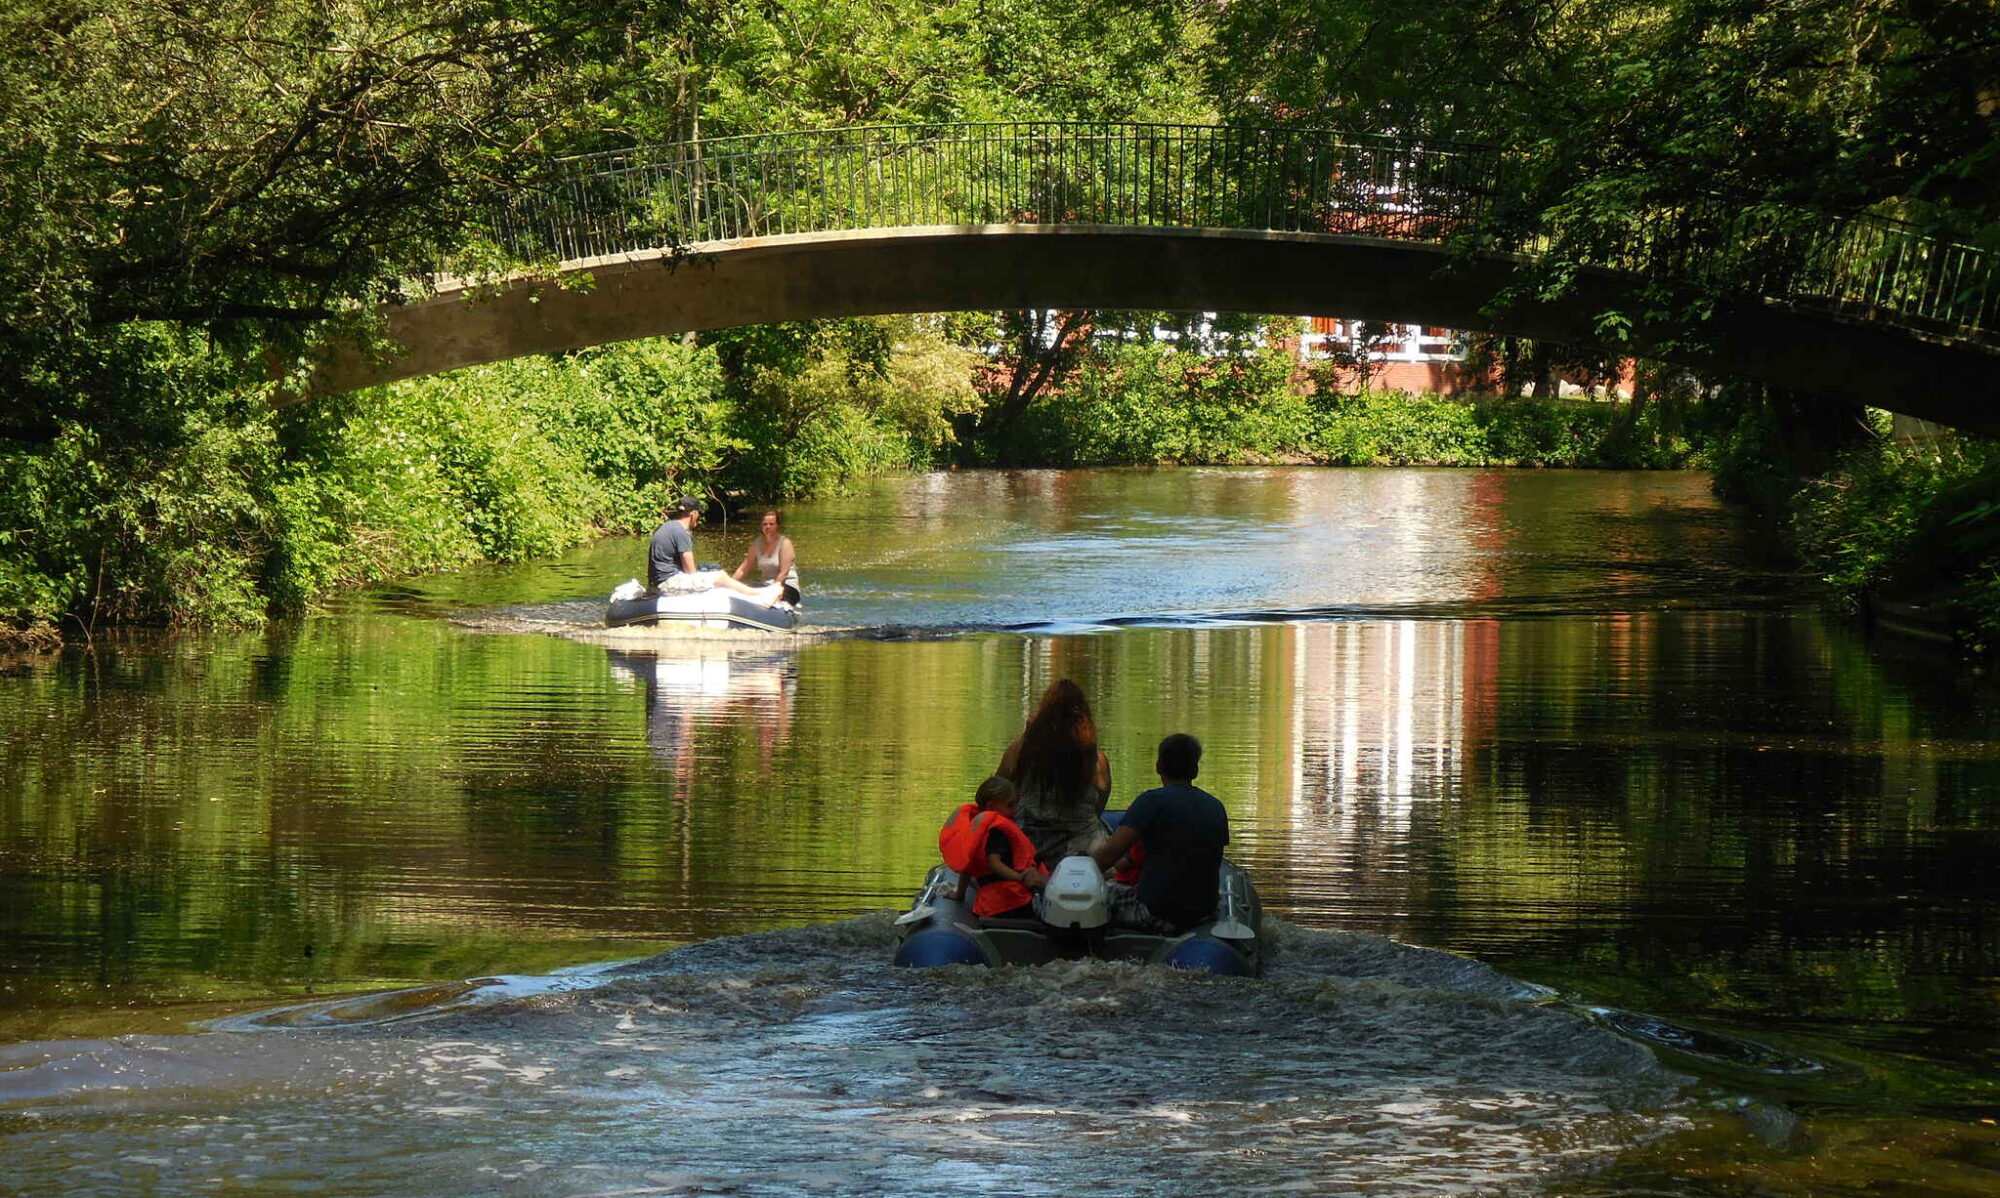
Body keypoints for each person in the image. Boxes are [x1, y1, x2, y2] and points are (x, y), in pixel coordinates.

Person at [1090, 733, 1228, 934]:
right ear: (1195, 770)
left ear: (1158, 767)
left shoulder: (1151, 802)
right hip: (1204, 914)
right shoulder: (1216, 807)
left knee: (1099, 892)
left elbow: (1105, 859)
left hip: (1155, 913)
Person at [997, 679, 1113, 865]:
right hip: (1083, 847)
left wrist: (1027, 735)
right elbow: (1098, 808)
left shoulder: (1019, 752)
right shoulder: (1097, 761)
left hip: (1029, 844)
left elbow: (998, 792)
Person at [940, 775, 1048, 920]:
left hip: (988, 902)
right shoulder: (996, 832)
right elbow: (994, 863)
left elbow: (968, 867)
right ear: (991, 806)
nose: (1015, 810)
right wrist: (1019, 877)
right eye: (1010, 805)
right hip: (1009, 900)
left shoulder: (975, 829)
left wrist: (959, 893)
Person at [647, 495, 785, 605]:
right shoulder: (681, 533)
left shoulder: (667, 526)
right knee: (720, 576)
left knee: (711, 571)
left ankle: (750, 592)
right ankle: (759, 594)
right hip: (667, 583)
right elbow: (690, 571)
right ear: (693, 514)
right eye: (698, 514)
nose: (698, 517)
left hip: (657, 582)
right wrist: (710, 580)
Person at [731, 509, 801, 604]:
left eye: (771, 524)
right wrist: (730, 585)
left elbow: (783, 573)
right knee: (743, 589)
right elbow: (743, 570)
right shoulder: (756, 544)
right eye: (765, 524)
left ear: (777, 526)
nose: (768, 527)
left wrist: (773, 592)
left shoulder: (785, 543)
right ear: (761, 526)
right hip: (765, 585)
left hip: (786, 587)